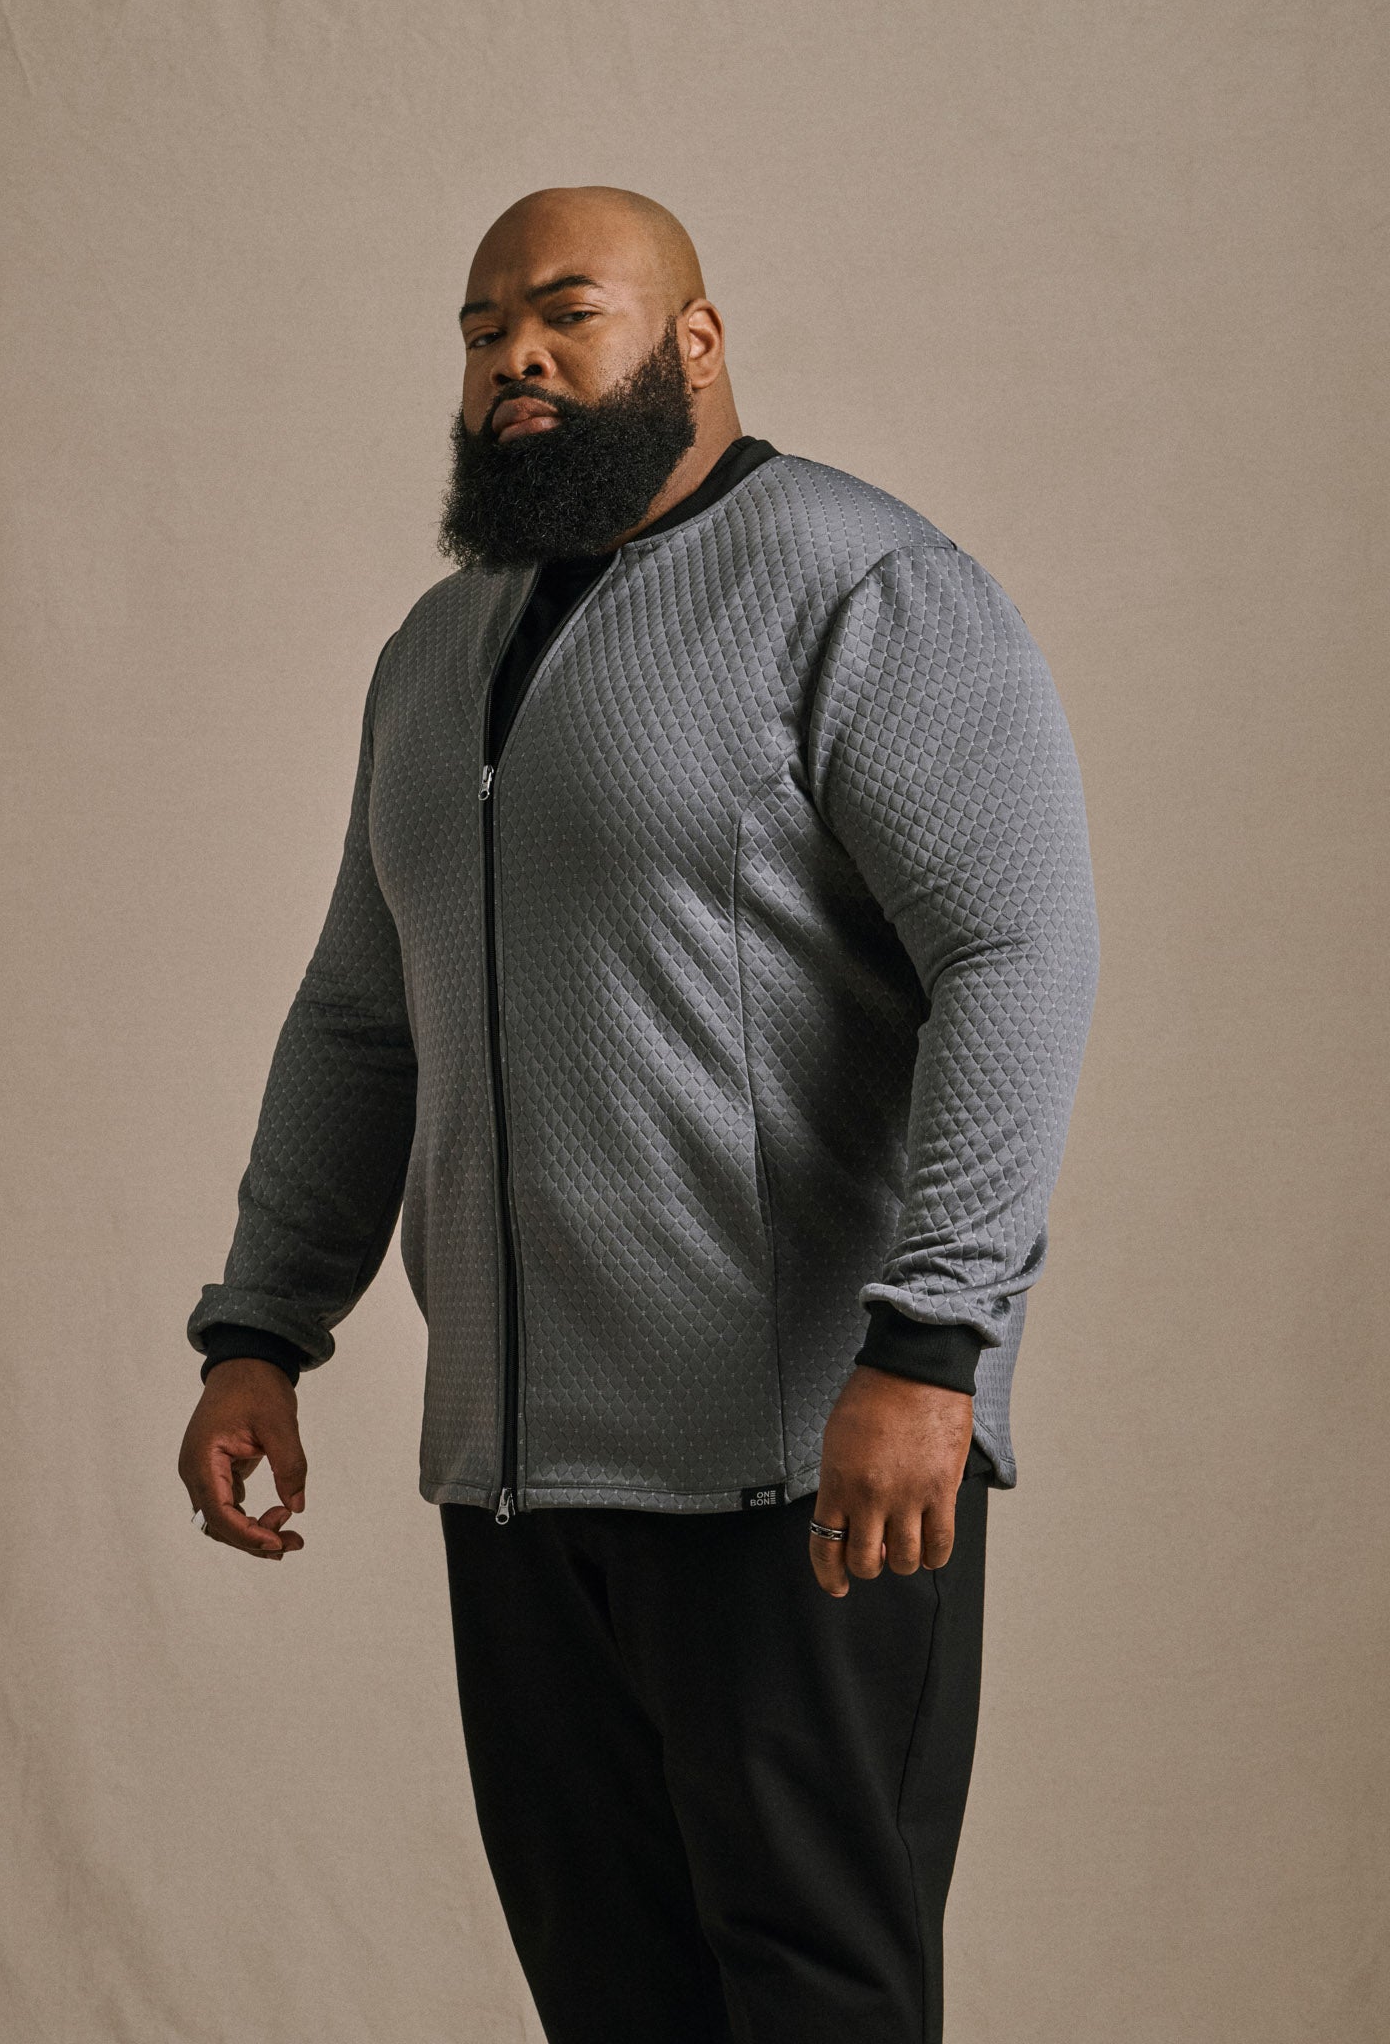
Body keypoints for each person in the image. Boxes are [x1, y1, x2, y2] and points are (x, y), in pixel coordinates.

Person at [178, 185, 1100, 2043]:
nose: (514, 356)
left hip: (800, 1469)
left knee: (818, 2004)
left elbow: (1016, 951)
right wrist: (262, 1327)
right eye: (480, 329)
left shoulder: (862, 586)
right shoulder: (433, 654)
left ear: (694, 340)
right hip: (519, 1488)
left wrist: (934, 1343)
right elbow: (362, 1017)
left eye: (565, 312)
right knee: (613, 2007)